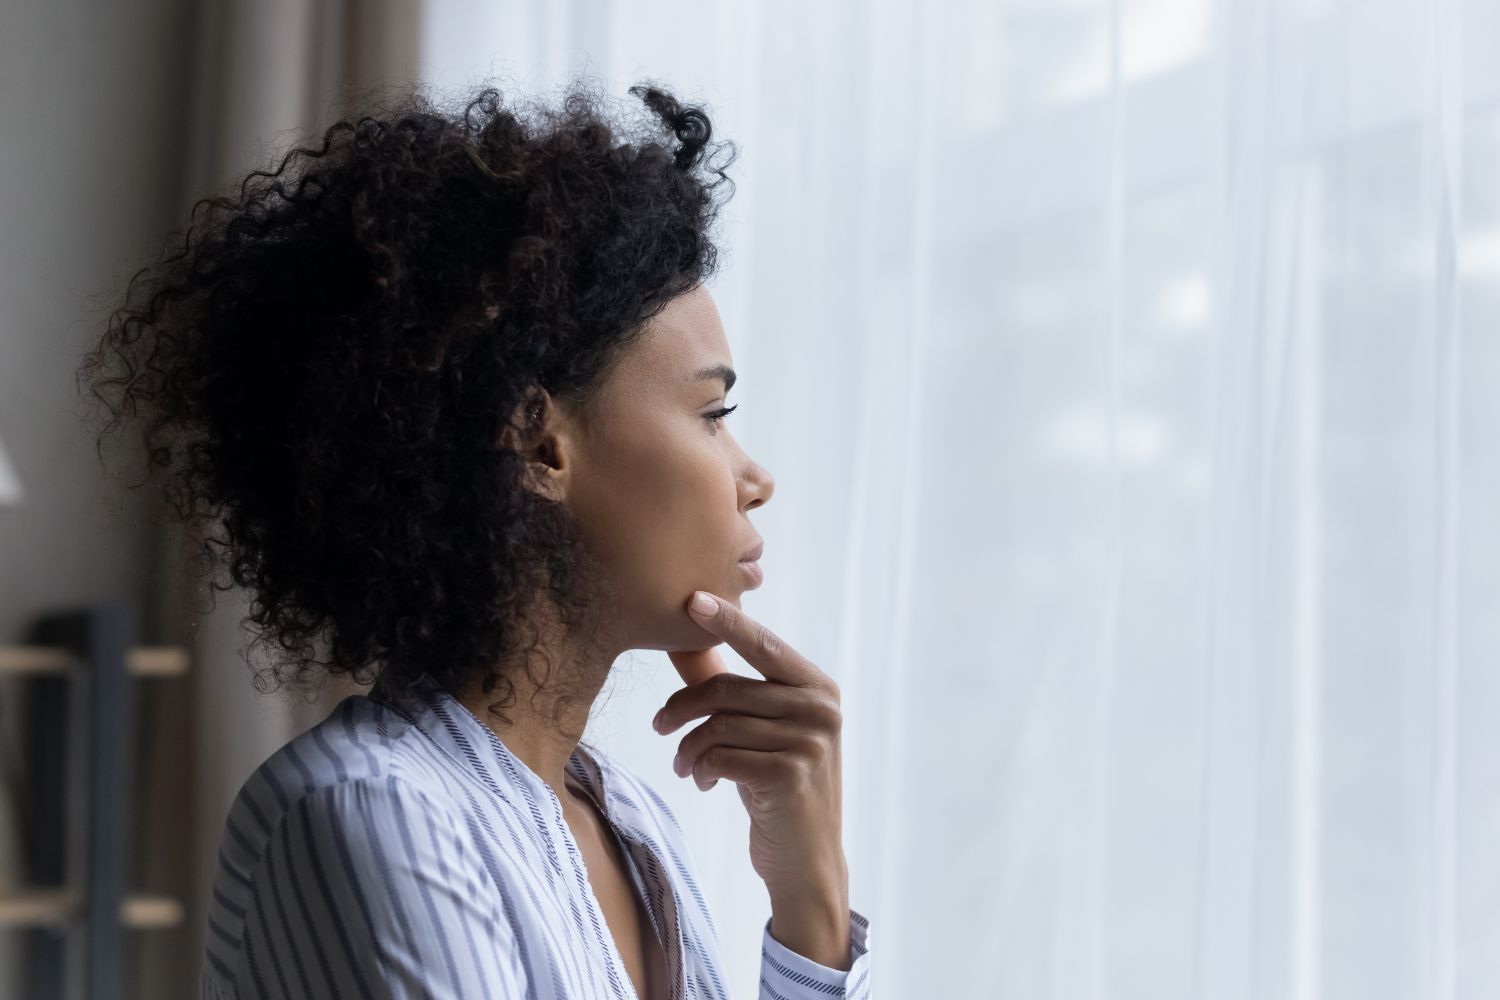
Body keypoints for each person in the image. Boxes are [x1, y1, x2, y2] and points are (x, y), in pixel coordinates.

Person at [76, 75, 871, 999]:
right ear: (539, 441)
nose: (754, 477)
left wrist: (811, 897)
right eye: (712, 412)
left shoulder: (638, 827)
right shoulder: (376, 814)